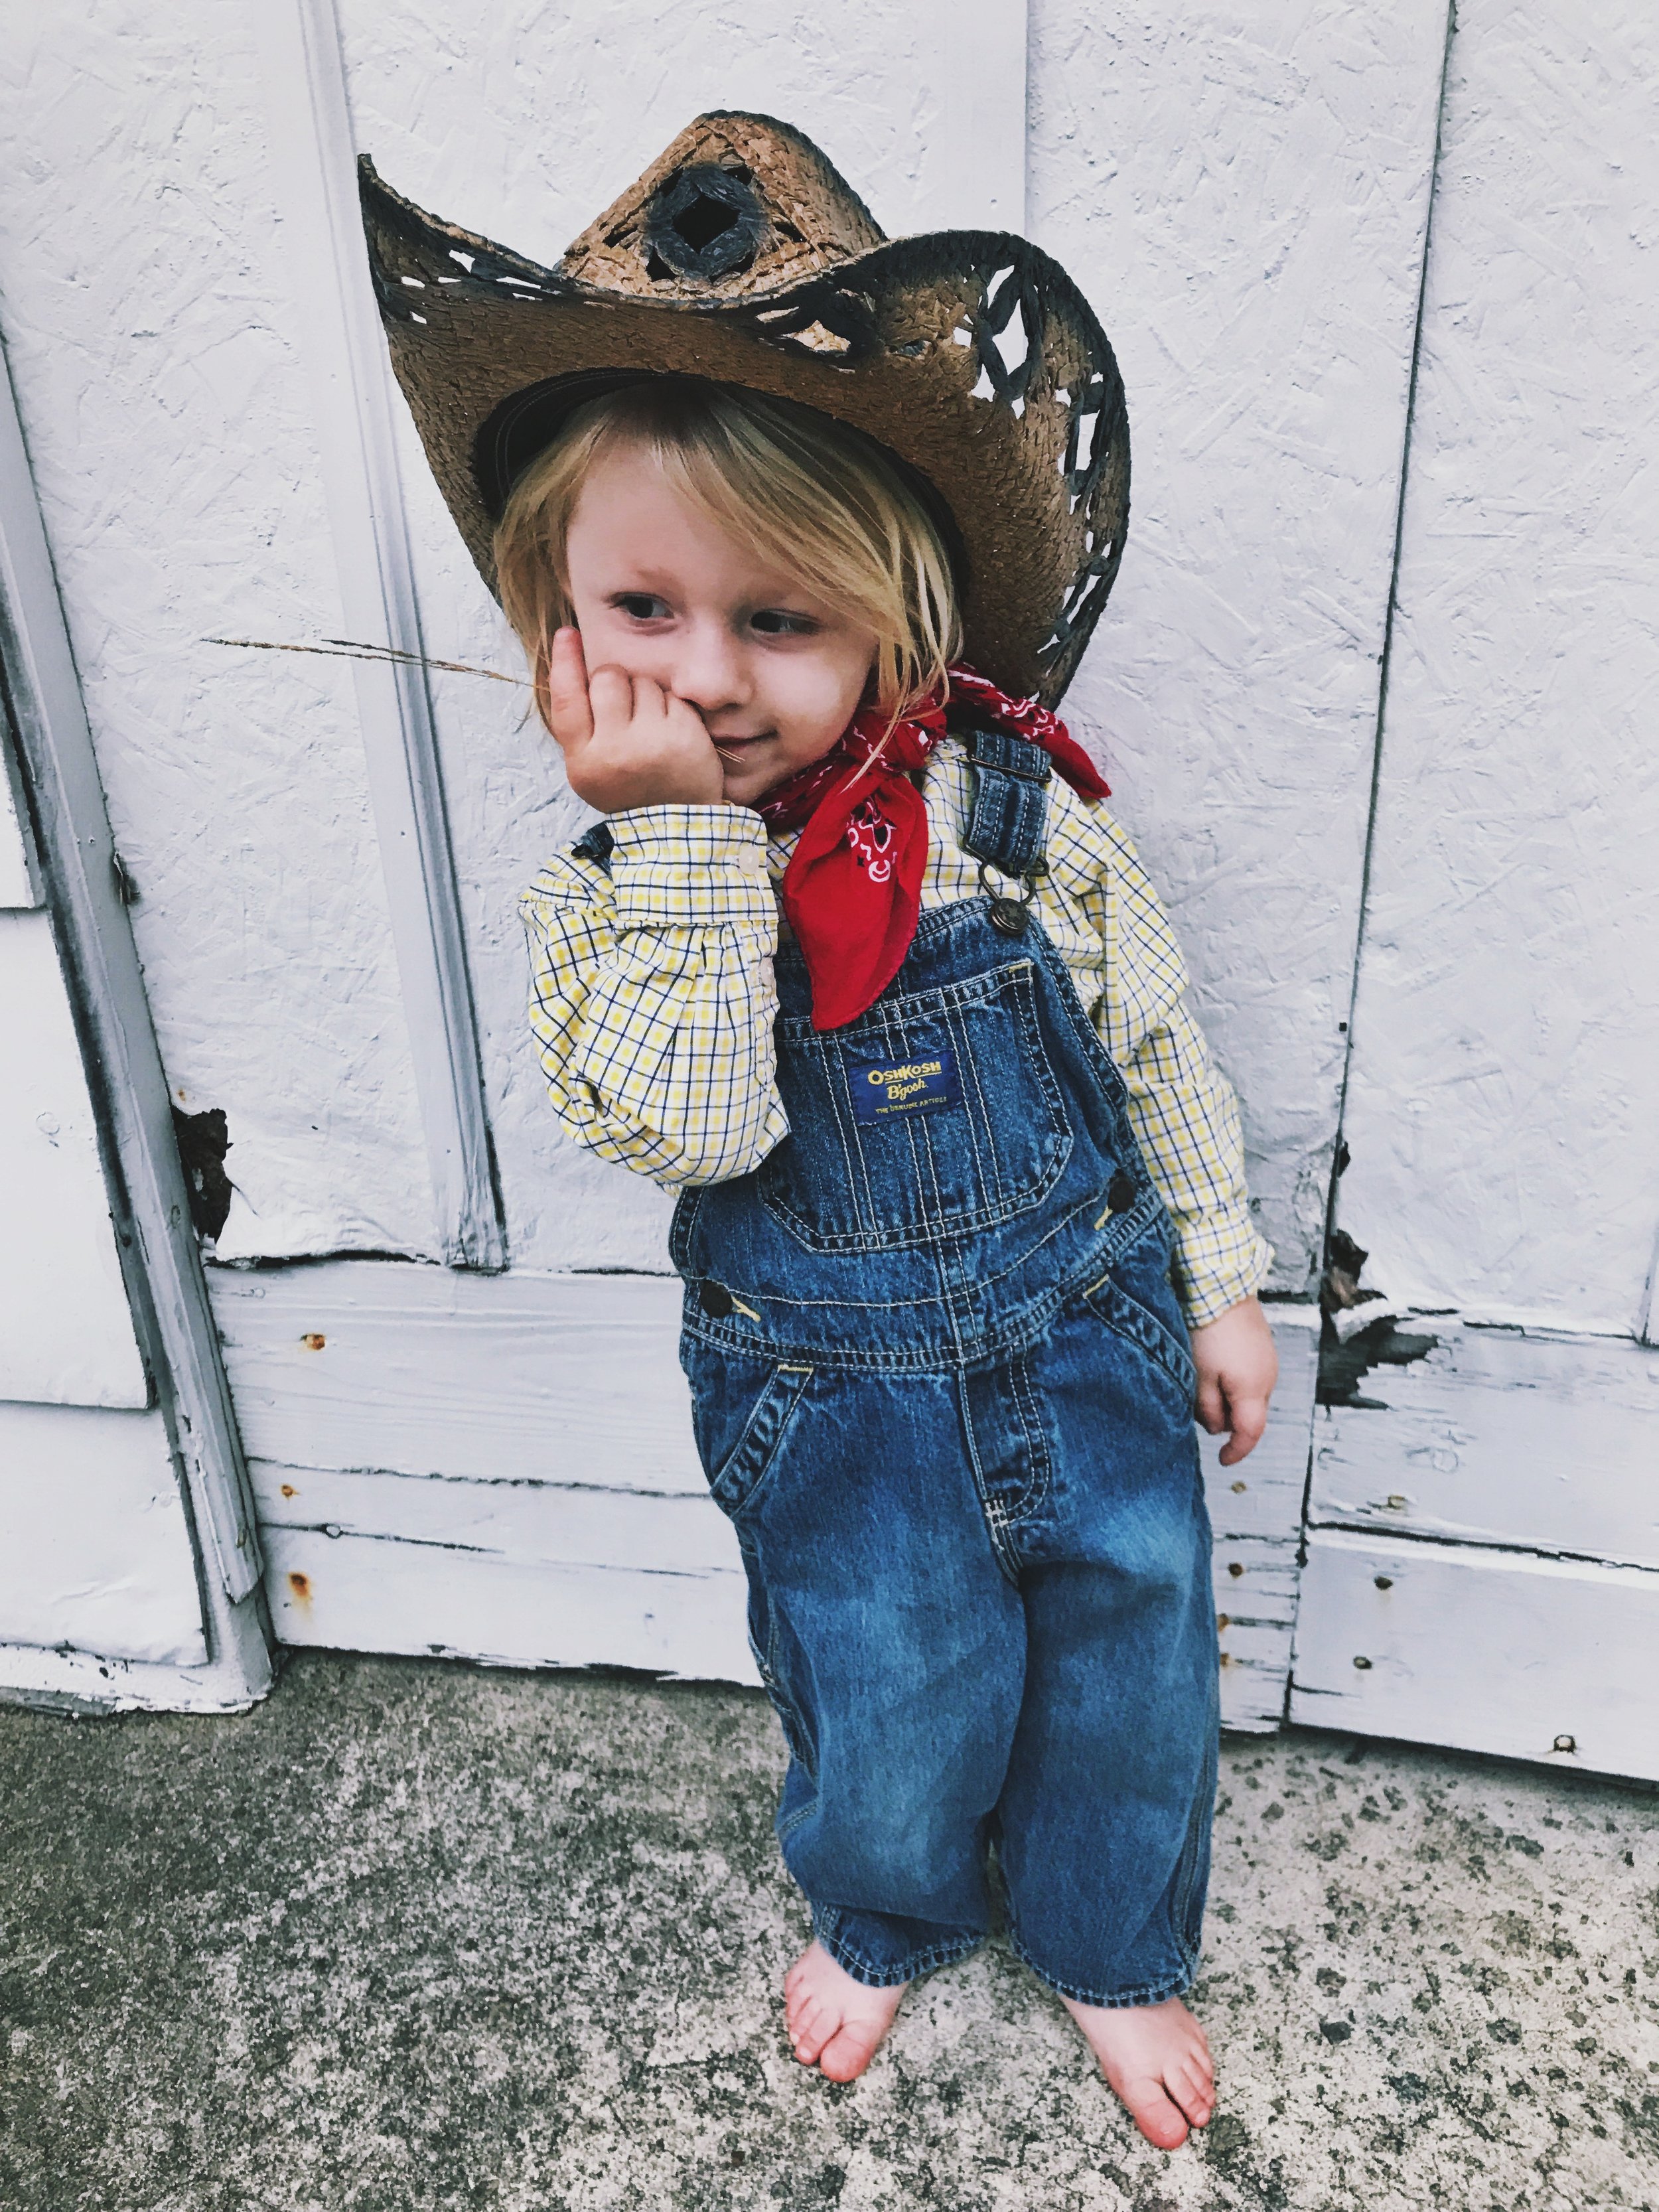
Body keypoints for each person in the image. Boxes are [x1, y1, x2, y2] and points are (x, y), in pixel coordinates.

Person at [361, 113, 1278, 2151]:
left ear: (895, 609)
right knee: (887, 1691)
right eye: (643, 610)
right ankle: (887, 1909)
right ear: (555, 612)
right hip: (832, 1405)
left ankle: (1115, 1940)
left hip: (1084, 1337)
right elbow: (691, 1124)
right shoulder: (607, 898)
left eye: (779, 618)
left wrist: (1214, 1279)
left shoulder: (1014, 815)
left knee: (1129, 1665)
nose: (707, 678)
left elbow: (1151, 1047)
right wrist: (687, 836)